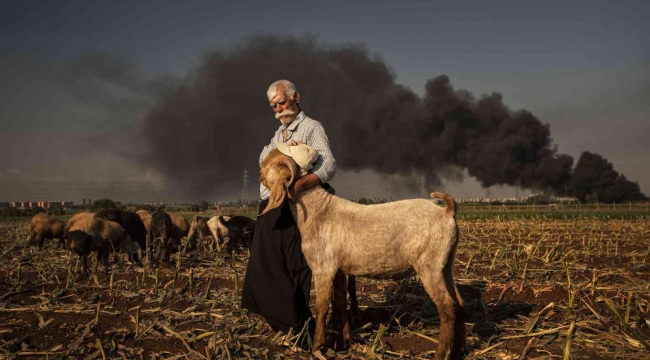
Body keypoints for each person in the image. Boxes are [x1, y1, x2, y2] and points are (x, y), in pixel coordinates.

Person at [241, 80, 337, 336]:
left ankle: (298, 324)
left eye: (281, 102)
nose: (278, 108)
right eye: (273, 105)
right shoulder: (278, 135)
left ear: (296, 97)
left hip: (298, 205)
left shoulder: (311, 127)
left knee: (296, 265)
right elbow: (265, 161)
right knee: (267, 261)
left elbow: (328, 165)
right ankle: (283, 320)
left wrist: (299, 185)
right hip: (275, 204)